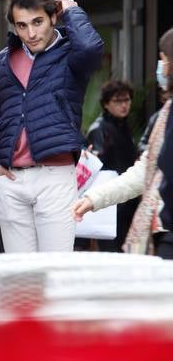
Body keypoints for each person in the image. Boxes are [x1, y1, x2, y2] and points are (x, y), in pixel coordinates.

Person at [0, 0, 103, 253]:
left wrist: (72, 11)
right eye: (22, 25)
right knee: (20, 276)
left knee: (55, 269)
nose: (31, 33)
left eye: (37, 22)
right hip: (11, 179)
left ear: (53, 17)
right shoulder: (4, 61)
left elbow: (91, 49)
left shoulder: (70, 54)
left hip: (55, 174)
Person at [73, 27, 173, 258]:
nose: (161, 68)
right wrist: (94, 198)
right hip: (164, 230)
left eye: (164, 60)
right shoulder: (165, 116)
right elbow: (144, 172)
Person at [85, 79, 139, 251]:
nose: (124, 105)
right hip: (110, 203)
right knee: (112, 253)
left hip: (128, 199)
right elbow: (96, 167)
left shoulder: (124, 126)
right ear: (106, 104)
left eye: (127, 100)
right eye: (118, 101)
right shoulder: (99, 129)